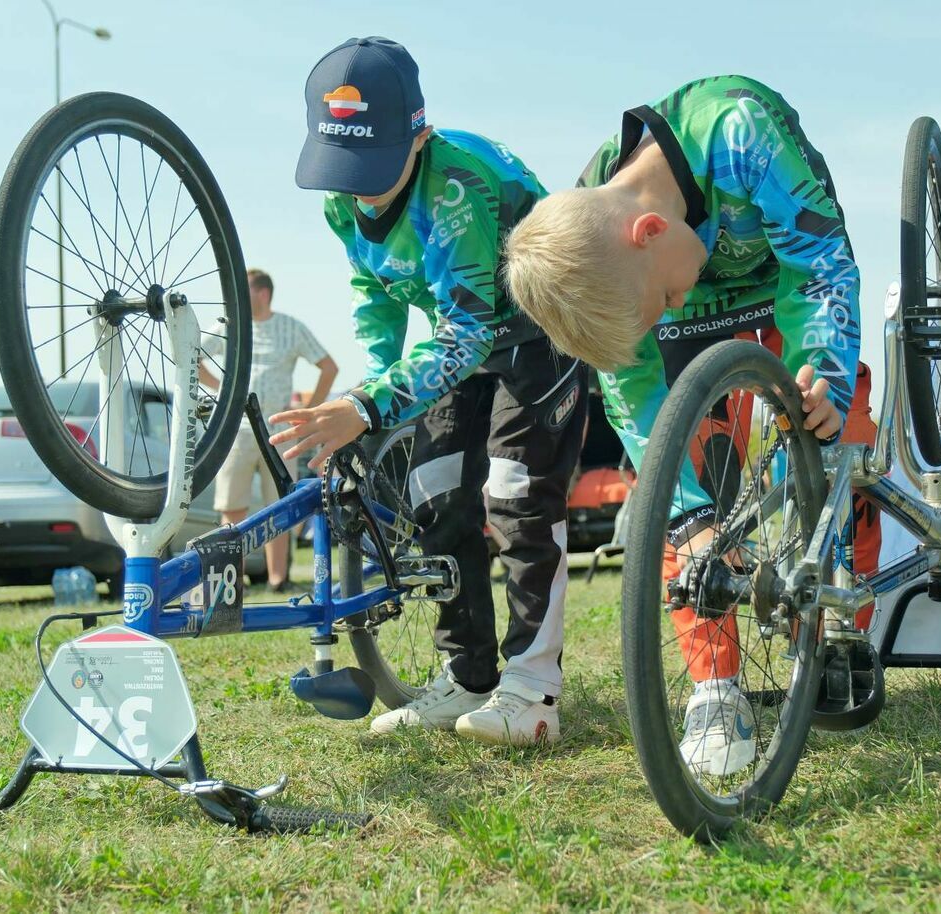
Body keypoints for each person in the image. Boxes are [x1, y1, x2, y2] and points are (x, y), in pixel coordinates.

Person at [504, 74, 880, 772]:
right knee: (687, 492)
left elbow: (821, 263)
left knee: (838, 427)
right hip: (693, 309)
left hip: (784, 275)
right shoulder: (597, 246)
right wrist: (687, 517)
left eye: (658, 299)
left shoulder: (741, 135)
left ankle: (840, 628)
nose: (661, 307)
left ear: (648, 231)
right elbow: (636, 398)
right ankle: (714, 686)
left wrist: (822, 372)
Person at [269, 36, 587, 746]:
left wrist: (367, 407)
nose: (360, 187)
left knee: (514, 494)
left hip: (538, 333)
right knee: (436, 491)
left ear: (419, 133)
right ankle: (466, 676)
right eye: (345, 168)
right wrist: (372, 380)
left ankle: (532, 690)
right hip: (458, 340)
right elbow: (374, 289)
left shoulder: (456, 188)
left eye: (374, 166)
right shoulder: (342, 201)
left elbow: (470, 332)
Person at [200, 268, 338, 593]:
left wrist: (308, 414)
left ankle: (279, 580)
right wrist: (222, 389)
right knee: (232, 507)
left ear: (262, 293)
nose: (236, 296)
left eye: (243, 289)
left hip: (277, 431)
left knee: (279, 508)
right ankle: (232, 584)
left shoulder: (290, 327)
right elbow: (193, 355)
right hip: (235, 428)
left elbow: (328, 367)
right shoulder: (228, 324)